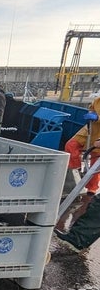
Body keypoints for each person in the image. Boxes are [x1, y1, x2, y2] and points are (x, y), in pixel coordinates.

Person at [56, 97, 100, 231]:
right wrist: (92, 114)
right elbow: (92, 107)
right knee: (71, 145)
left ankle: (90, 191)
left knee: (96, 161)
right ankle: (74, 177)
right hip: (92, 129)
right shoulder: (98, 100)